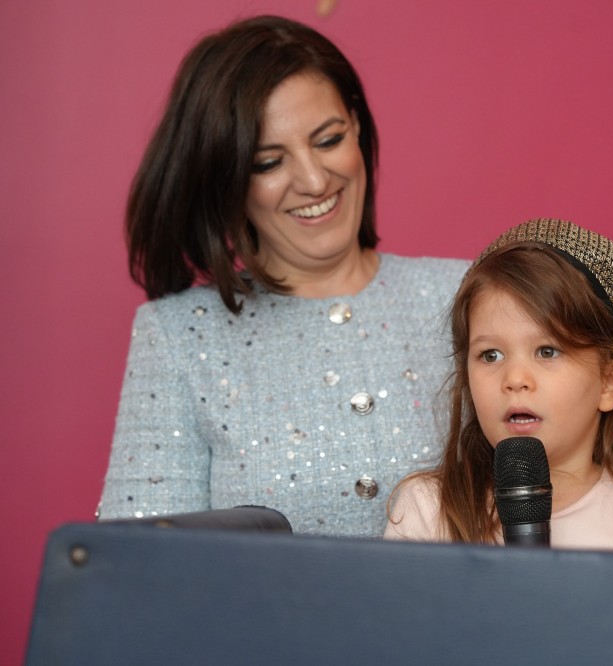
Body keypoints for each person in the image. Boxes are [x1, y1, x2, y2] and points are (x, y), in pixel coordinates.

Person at [97, 15, 469, 537]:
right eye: (269, 163)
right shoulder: (180, 337)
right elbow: (140, 566)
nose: (314, 180)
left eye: (329, 139)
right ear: (224, 179)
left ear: (357, 126)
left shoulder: (469, 295)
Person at [385, 218, 613, 554]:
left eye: (547, 351)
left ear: (610, 383)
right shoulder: (427, 510)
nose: (515, 379)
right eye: (491, 355)